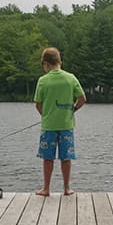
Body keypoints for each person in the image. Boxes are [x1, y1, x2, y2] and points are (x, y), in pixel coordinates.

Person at [33, 46, 86, 196]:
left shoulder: (43, 81)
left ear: (46, 63)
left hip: (49, 126)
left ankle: (46, 189)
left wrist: (45, 115)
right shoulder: (70, 78)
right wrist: (73, 110)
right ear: (59, 61)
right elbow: (82, 99)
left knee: (48, 158)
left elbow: (38, 104)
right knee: (66, 157)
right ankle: (67, 188)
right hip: (66, 126)